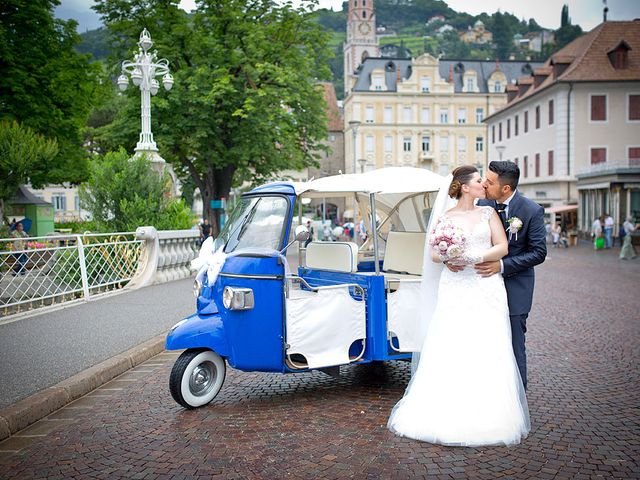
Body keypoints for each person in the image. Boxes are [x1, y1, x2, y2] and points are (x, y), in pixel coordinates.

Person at [388, 165, 530, 447]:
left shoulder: (488, 213)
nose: (483, 184)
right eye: (479, 181)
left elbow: (502, 246)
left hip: (484, 284)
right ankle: (446, 409)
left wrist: (472, 256)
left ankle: (490, 412)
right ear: (465, 187)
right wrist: (448, 257)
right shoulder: (445, 217)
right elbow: (433, 252)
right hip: (455, 287)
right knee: (452, 342)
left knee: (487, 343)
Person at [476, 161, 547, 391]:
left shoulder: (531, 210)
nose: (484, 184)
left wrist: (502, 265)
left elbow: (538, 252)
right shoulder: (481, 205)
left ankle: (517, 398)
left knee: (516, 343)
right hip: (483, 286)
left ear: (505, 188)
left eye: (490, 182)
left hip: (516, 287)